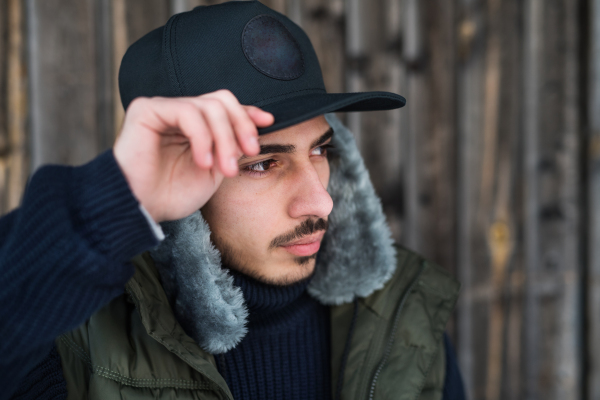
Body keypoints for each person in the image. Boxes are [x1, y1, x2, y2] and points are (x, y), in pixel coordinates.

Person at [1, 1, 465, 399]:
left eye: (321, 151)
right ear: (177, 172)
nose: (320, 203)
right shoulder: (76, 338)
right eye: (262, 163)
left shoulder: (403, 309)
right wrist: (111, 202)